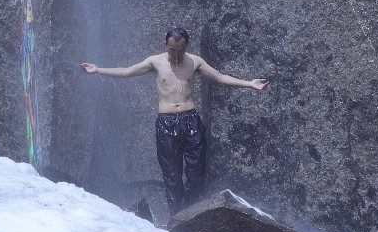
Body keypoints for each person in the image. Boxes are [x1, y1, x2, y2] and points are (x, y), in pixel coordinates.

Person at [82, 28, 269, 213]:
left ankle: (195, 215)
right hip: (166, 122)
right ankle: (178, 218)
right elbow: (127, 71)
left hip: (191, 120)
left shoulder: (195, 62)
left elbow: (219, 77)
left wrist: (249, 84)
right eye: (172, 49)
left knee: (196, 172)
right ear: (166, 45)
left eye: (181, 50)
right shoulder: (155, 62)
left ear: (186, 46)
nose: (177, 54)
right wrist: (98, 70)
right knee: (171, 173)